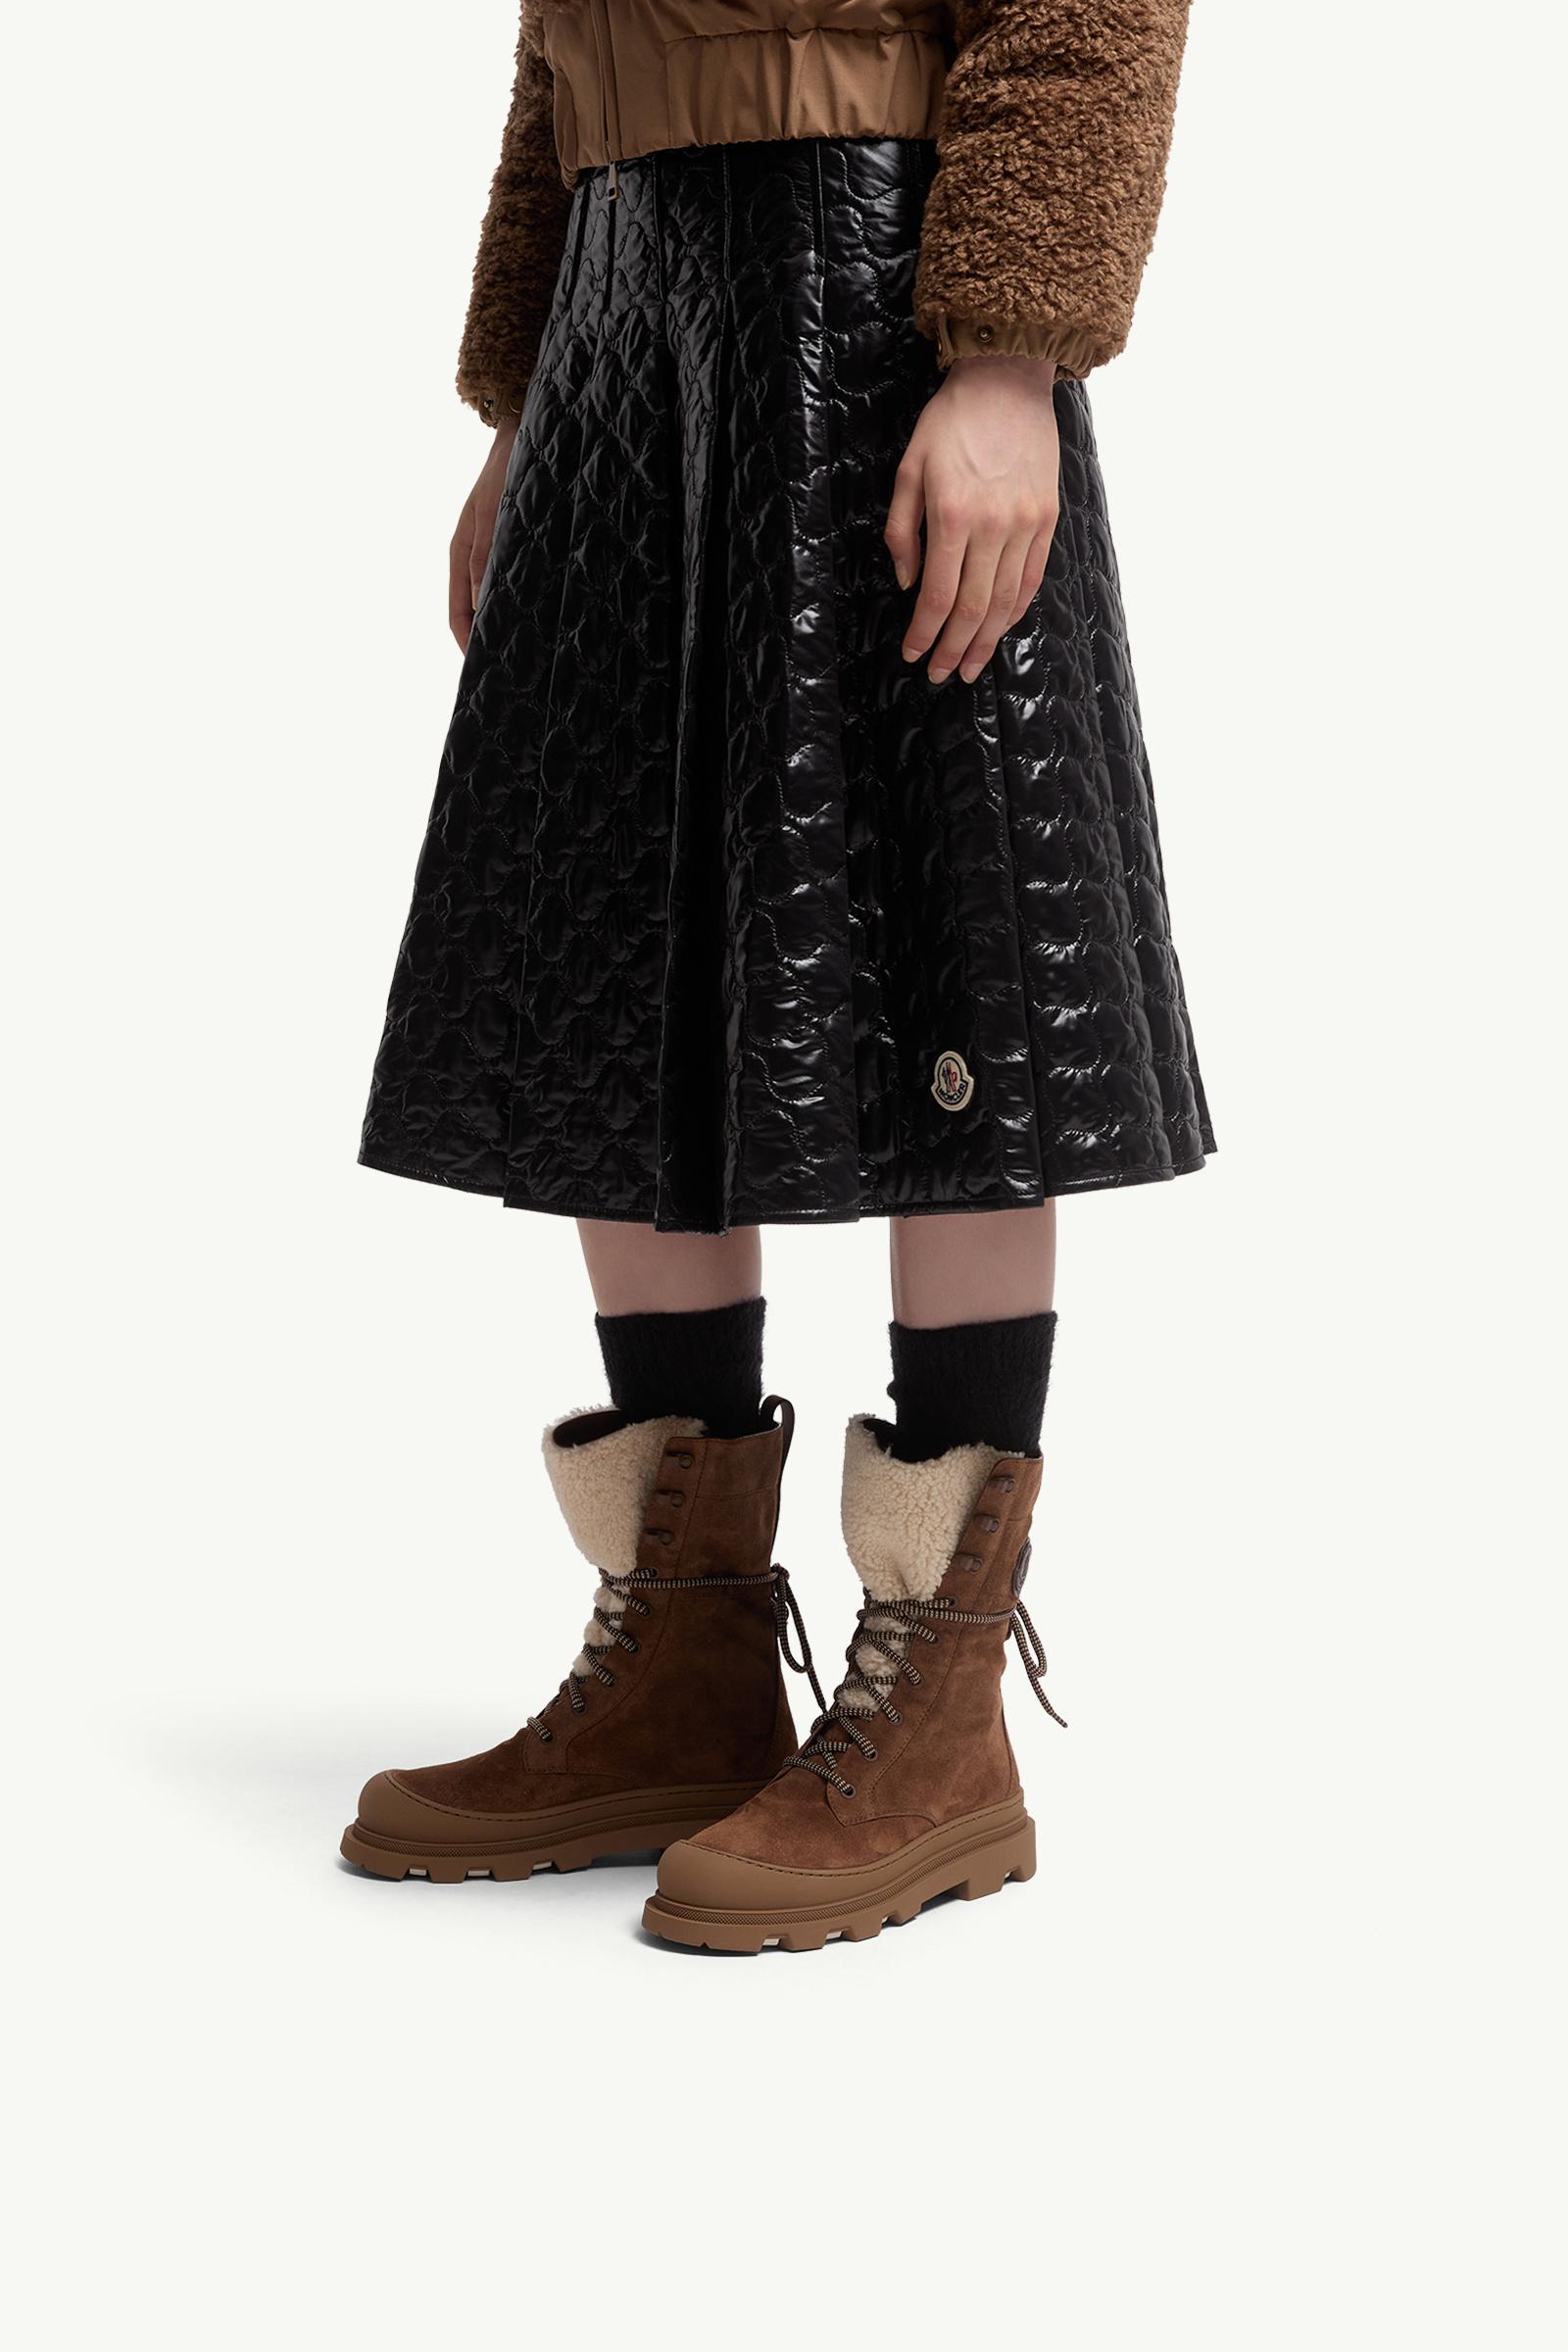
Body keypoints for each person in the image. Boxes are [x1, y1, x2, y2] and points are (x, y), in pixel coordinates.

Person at [344, 0, 1213, 1951]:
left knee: (950, 945)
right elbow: (562, 41)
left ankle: (940, 1715)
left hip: (878, 279)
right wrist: (524, 395)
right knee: (615, 949)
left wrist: (1007, 353)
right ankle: (682, 1664)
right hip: (621, 311)